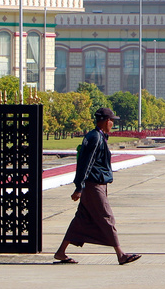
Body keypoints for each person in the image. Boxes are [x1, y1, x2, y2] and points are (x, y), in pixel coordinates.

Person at [53, 107, 141, 265]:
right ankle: (121, 254)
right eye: (111, 121)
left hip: (95, 183)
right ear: (106, 121)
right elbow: (86, 163)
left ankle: (61, 252)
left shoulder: (96, 136)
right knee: (107, 217)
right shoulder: (95, 138)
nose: (112, 124)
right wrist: (79, 187)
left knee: (82, 218)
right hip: (93, 185)